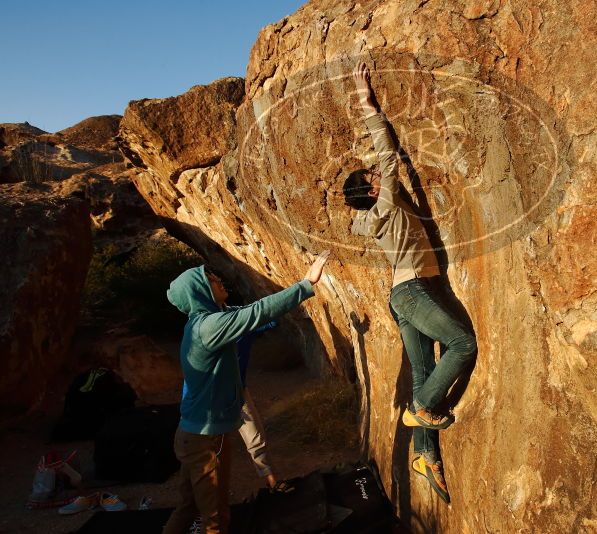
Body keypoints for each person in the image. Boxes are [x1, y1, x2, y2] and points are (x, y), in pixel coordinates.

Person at [343, 63, 477, 504]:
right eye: (373, 178)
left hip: (403, 296)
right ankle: (422, 410)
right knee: (461, 345)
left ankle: (425, 456)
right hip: (413, 290)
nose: (378, 175)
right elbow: (387, 154)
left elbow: (386, 169)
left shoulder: (373, 216)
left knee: (422, 371)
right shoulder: (383, 206)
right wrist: (366, 103)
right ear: (370, 188)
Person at [163, 251, 329, 534]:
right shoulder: (208, 327)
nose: (219, 281)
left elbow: (249, 313)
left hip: (202, 435)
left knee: (189, 506)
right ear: (200, 290)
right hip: (202, 440)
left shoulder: (209, 319)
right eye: (212, 280)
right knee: (216, 518)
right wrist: (305, 284)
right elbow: (257, 312)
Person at [180, 321, 291, 491]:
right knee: (210, 445)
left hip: (238, 392)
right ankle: (201, 493)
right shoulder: (204, 332)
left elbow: (268, 319)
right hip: (212, 397)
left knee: (255, 436)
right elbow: (193, 370)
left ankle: (272, 482)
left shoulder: (242, 325)